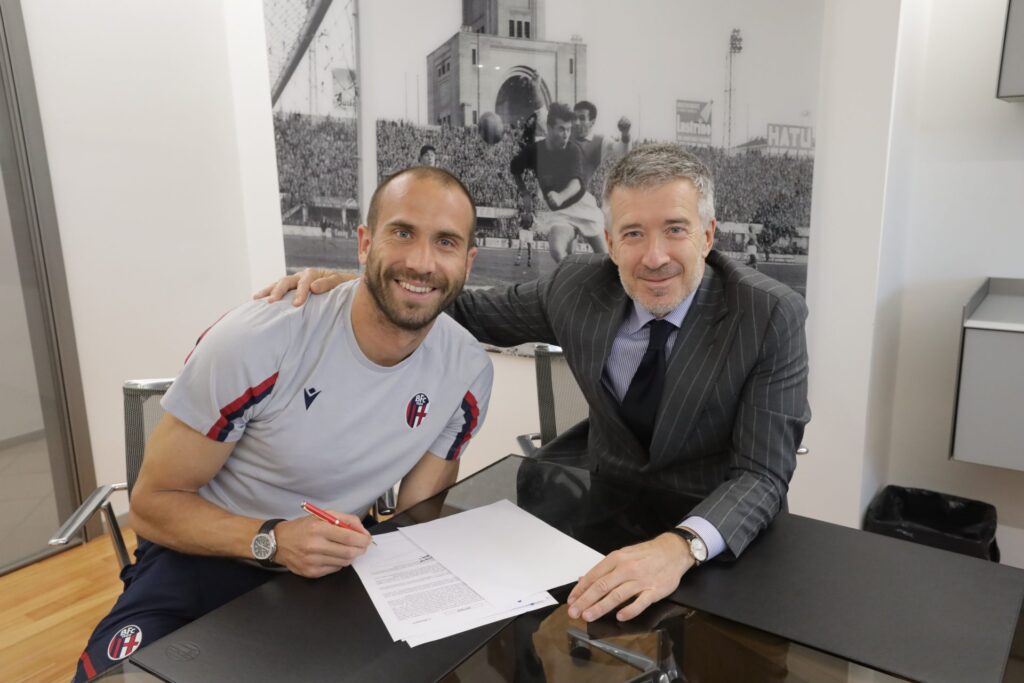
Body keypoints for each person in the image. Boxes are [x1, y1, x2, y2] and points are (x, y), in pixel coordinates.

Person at [259, 144, 810, 625]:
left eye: (675, 229)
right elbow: (460, 308)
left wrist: (681, 547)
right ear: (609, 242)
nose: (654, 256)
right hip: (605, 519)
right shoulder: (577, 289)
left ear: (708, 235)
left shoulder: (768, 315)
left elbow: (761, 475)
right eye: (633, 234)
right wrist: (361, 286)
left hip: (718, 538)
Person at [74, 166, 493, 681]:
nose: (421, 261)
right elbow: (150, 506)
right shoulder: (256, 341)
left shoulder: (468, 369)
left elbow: (414, 519)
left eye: (445, 242)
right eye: (402, 232)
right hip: (199, 561)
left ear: (468, 261)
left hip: (332, 571)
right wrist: (273, 539)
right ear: (365, 243)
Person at [510, 102, 607, 263]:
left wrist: (560, 196)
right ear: (549, 128)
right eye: (561, 129)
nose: (566, 135)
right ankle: (572, 276)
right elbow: (515, 169)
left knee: (606, 260)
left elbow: (576, 183)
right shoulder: (534, 151)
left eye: (568, 129)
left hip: (583, 207)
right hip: (561, 212)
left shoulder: (573, 150)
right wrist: (524, 193)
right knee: (557, 251)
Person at [572, 100, 632, 188]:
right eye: (574, 118)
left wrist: (625, 134)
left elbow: (621, 152)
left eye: (582, 118)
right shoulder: (565, 138)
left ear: (592, 122)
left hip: (590, 193)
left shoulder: (601, 140)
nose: (576, 123)